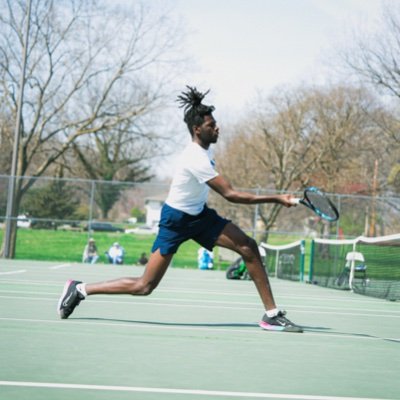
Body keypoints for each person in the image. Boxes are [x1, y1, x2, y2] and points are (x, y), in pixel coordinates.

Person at [57, 86, 303, 333]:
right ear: (197, 130)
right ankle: (80, 289)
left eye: (216, 124)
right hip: (176, 220)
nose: (217, 128)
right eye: (211, 125)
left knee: (248, 246)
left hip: (200, 215)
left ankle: (271, 314)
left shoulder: (206, 149)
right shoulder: (195, 157)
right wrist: (277, 197)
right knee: (145, 286)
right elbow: (231, 195)